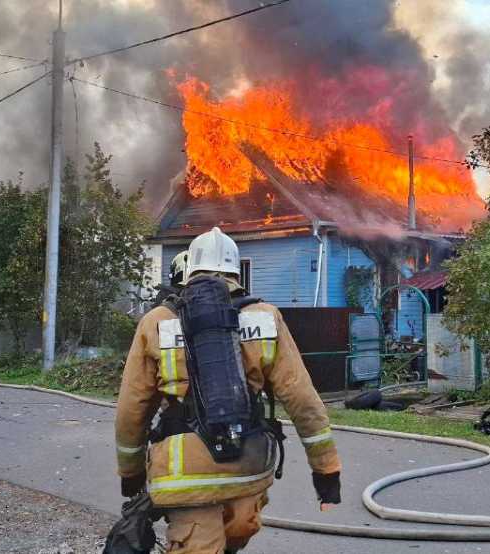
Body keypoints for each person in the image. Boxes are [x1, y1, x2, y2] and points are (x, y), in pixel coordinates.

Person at [114, 227, 341, 553]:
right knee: (234, 538)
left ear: (189, 269)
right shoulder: (266, 318)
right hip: (246, 469)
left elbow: (132, 409)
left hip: (184, 476)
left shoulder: (157, 322)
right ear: (237, 271)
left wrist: (131, 474)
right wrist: (326, 470)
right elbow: (301, 398)